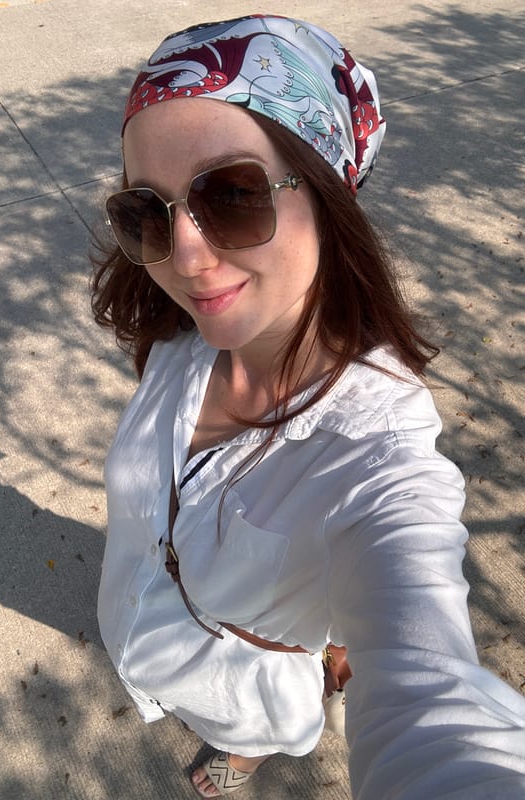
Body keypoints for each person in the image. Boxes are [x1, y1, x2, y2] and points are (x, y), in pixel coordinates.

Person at [91, 14, 525, 799]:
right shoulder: (181, 341)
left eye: (231, 195)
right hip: (142, 631)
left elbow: (434, 692)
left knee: (246, 726)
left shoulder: (380, 448)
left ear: (325, 196)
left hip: (246, 683)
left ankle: (248, 753)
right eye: (147, 214)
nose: (185, 256)